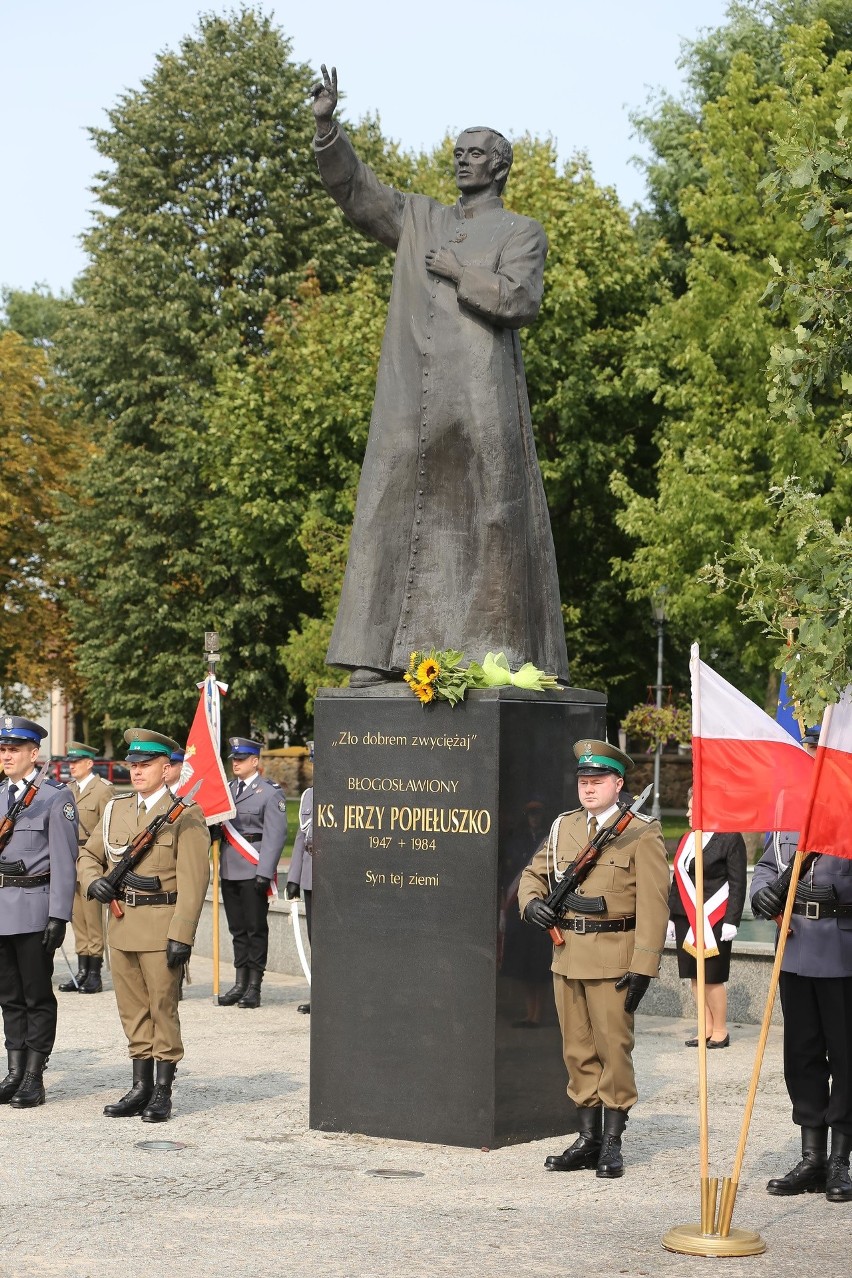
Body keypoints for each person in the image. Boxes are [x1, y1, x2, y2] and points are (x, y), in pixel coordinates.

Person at [309, 65, 569, 688]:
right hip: (412, 392)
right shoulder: (420, 217)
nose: (462, 162)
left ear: (499, 167)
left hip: (482, 393)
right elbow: (360, 194)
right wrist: (327, 131)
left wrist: (458, 272)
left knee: (494, 512)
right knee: (387, 505)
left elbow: (519, 300)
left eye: (475, 154)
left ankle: (500, 652)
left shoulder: (521, 231)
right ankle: (374, 655)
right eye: (458, 152)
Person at [518, 739, 670, 1178]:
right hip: (567, 955)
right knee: (577, 1050)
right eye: (584, 781)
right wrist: (532, 904)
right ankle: (588, 1138)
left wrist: (643, 965)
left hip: (613, 960)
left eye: (598, 780)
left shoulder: (642, 831)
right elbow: (533, 874)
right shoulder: (564, 827)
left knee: (613, 1051)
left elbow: (655, 905)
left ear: (618, 784)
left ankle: (614, 1143)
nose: (588, 788)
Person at [78, 728, 210, 1122]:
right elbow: (88, 855)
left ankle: (163, 1091)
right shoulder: (115, 809)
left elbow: (194, 881)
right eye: (133, 765)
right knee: (132, 1009)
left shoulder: (185, 816)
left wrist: (181, 934)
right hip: (121, 927)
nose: (136, 772)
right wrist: (93, 881)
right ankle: (140, 1086)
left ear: (167, 769)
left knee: (162, 1009)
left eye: (146, 765)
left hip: (160, 927)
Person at [751, 723, 852, 1204]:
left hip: (843, 949)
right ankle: (811, 1155)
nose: (815, 757)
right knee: (801, 1055)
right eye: (810, 748)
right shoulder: (788, 804)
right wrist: (763, 894)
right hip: (793, 949)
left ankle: (840, 1159)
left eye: (822, 748)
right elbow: (770, 864)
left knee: (847, 1058)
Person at [0, 716, 77, 1108]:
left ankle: (34, 1075)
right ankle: (13, 1071)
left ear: (34, 754)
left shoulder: (54, 796)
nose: (7, 755)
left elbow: (65, 861)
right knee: (8, 996)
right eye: (3, 749)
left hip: (33, 909)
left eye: (15, 749)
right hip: (0, 912)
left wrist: (58, 915)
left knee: (36, 996)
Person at [667, 787, 747, 1048]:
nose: (688, 813)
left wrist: (732, 920)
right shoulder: (687, 838)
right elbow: (677, 880)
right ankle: (706, 1027)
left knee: (712, 976)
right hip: (685, 917)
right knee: (694, 975)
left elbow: (738, 883)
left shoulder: (730, 838)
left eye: (693, 808)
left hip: (715, 918)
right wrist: (671, 915)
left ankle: (721, 1030)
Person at [217, 738, 287, 1009]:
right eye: (234, 758)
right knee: (237, 929)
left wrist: (265, 872)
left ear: (255, 761)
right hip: (230, 867)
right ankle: (240, 982)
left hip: (253, 867)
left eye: (242, 759)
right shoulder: (227, 790)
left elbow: (275, 835)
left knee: (255, 928)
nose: (235, 762)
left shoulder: (269, 792)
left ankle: (254, 986)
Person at [58, 740, 113, 995]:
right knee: (77, 917)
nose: (72, 766)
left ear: (89, 763)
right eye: (70, 762)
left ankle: (94, 972)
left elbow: (108, 828)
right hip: (70, 858)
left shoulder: (102, 790)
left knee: (93, 919)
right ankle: (82, 969)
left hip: (91, 860)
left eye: (76, 762)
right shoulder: (67, 790)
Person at [286, 783, 313, 1014]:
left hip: (336, 881)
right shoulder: (309, 795)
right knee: (315, 939)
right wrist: (294, 877)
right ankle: (319, 994)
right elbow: (301, 839)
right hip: (311, 878)